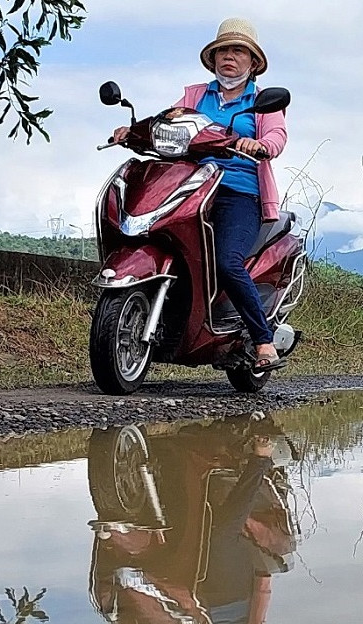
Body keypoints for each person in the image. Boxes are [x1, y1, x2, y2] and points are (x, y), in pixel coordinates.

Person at [111, 18, 288, 370]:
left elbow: (277, 137)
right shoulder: (194, 95)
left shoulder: (262, 102)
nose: (229, 57)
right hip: (189, 186)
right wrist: (133, 131)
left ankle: (263, 340)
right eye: (223, 50)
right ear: (213, 57)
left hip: (237, 193)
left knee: (227, 262)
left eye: (238, 51)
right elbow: (169, 121)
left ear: (253, 63)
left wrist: (261, 145)